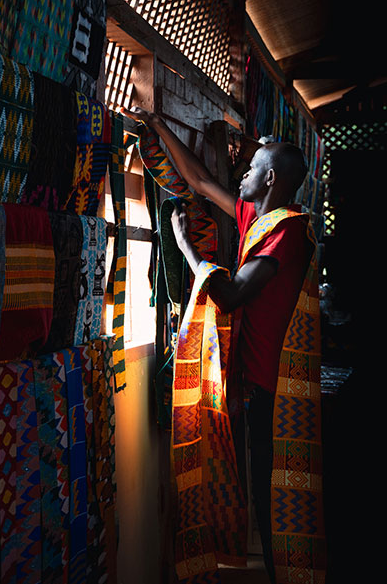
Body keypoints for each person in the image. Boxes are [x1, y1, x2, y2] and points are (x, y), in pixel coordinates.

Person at [124, 107, 312, 584]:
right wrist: (159, 126)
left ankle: (282, 573)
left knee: (272, 500)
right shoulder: (261, 219)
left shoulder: (286, 231)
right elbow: (203, 181)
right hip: (249, 376)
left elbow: (230, 295)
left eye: (250, 169)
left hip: (271, 385)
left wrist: (186, 246)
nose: (241, 173)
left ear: (269, 179)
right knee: (251, 485)